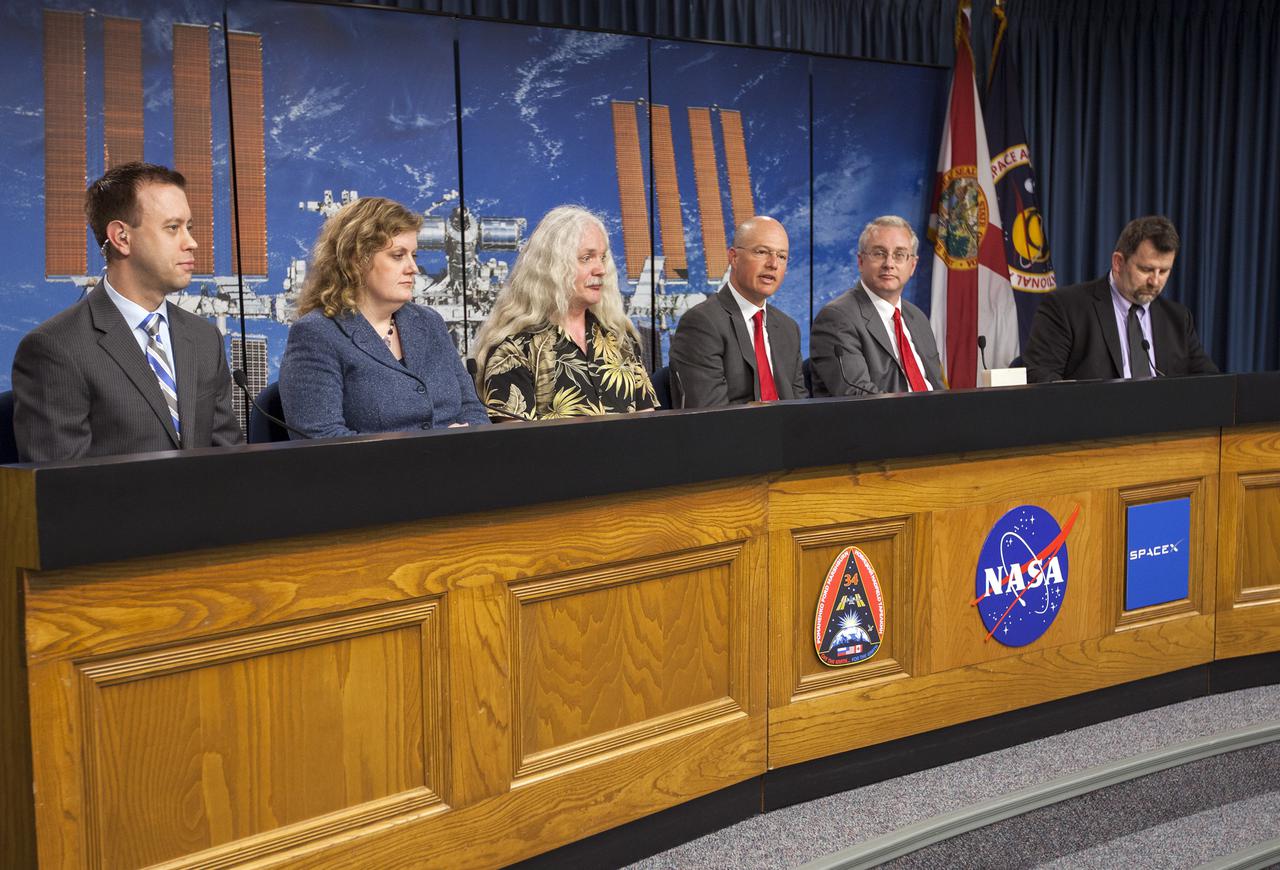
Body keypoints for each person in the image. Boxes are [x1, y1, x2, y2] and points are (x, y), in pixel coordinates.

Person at [11, 162, 241, 461]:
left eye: (189, 227)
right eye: (173, 228)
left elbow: (231, 461)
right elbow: (62, 485)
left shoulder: (204, 338)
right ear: (121, 237)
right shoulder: (55, 349)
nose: (192, 243)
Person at [279, 197, 488, 437]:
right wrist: (428, 450)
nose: (413, 268)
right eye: (398, 255)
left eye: (414, 256)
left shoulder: (429, 322)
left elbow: (472, 409)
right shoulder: (317, 334)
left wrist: (467, 440)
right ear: (357, 260)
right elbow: (322, 440)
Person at [472, 205, 657, 420]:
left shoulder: (619, 338)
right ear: (551, 267)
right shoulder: (513, 349)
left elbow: (648, 425)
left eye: (603, 257)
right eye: (586, 258)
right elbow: (515, 439)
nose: (601, 269)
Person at [1023, 216, 1218, 382]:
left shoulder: (1178, 318)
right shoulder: (1066, 307)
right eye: (1146, 269)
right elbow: (1041, 377)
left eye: (1164, 271)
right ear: (1118, 262)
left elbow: (1210, 381)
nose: (1155, 281)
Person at [668, 216, 805, 407]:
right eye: (762, 252)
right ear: (734, 257)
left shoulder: (788, 328)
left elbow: (801, 405)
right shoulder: (702, 323)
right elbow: (710, 412)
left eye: (781, 256)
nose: (773, 264)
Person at [809, 215, 944, 396]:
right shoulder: (837, 318)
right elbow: (858, 396)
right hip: (882, 415)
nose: (889, 264)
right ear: (861, 262)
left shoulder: (917, 317)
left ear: (912, 265)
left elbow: (938, 386)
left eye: (899, 255)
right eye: (879, 253)